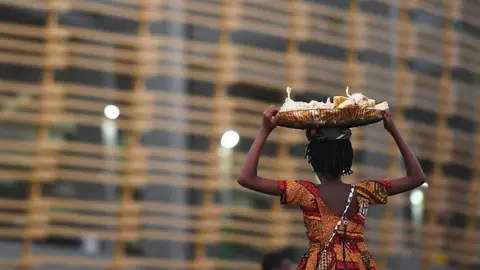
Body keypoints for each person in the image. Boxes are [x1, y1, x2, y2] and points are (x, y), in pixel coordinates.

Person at [238, 105, 426, 270]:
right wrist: (392, 130)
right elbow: (416, 177)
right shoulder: (363, 192)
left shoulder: (306, 192)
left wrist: (265, 129)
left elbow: (246, 178)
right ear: (347, 157)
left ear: (314, 161)